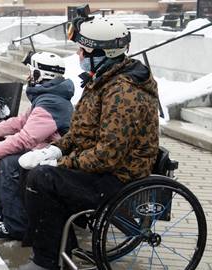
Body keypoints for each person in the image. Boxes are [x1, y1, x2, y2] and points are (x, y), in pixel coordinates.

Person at [18, 11, 160, 270]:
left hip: (120, 179)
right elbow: (81, 133)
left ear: (103, 54)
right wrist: (53, 150)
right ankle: (61, 249)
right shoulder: (104, 81)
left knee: (42, 180)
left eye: (83, 51)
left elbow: (108, 155)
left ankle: (46, 262)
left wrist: (62, 165)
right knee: (33, 172)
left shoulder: (123, 92)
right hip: (104, 171)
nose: (79, 56)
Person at [0, 52, 74, 240]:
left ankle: (16, 224)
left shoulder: (52, 102)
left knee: (8, 163)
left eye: (31, 72)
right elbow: (19, 122)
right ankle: (0, 211)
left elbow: (25, 138)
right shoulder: (46, 97)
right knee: (0, 157)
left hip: (53, 154)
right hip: (40, 149)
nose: (28, 77)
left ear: (40, 75)